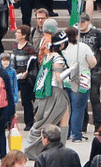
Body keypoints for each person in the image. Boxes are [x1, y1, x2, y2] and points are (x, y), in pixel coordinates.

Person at [24, 32, 72, 160]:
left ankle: (38, 148)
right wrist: (72, 70)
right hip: (56, 92)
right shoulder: (58, 58)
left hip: (45, 92)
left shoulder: (47, 55)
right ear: (61, 44)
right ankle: (61, 149)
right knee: (61, 120)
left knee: (44, 121)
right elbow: (58, 77)